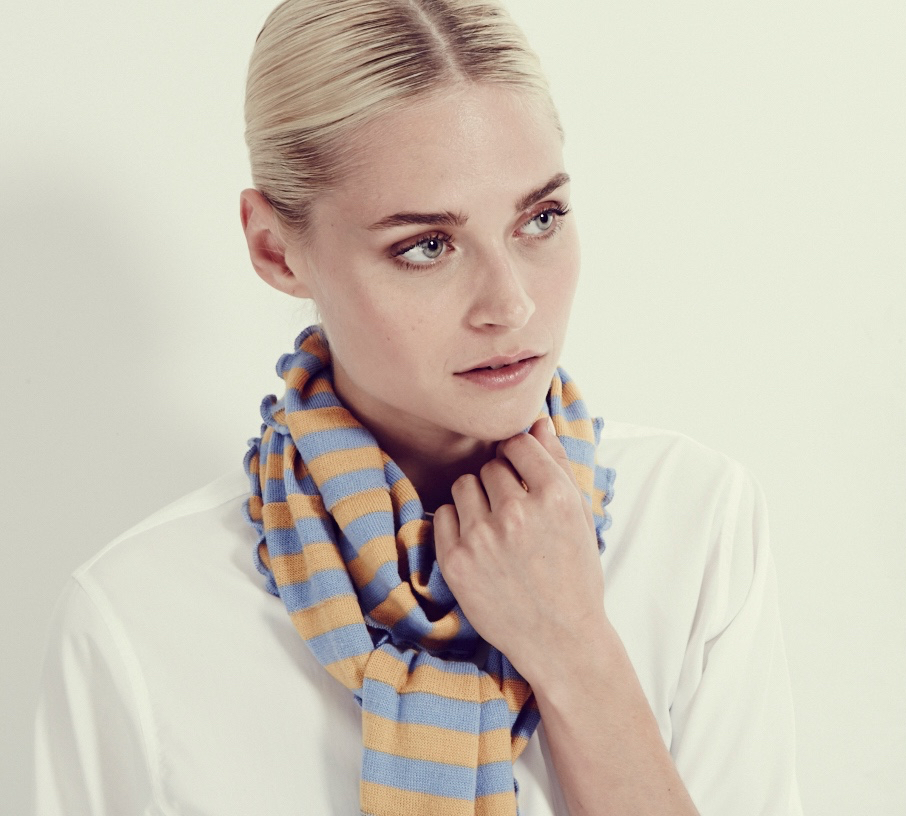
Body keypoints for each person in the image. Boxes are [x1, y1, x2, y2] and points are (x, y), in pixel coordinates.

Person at [34, 1, 802, 814]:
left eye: (539, 219)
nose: (510, 305)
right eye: (426, 246)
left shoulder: (690, 521)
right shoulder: (139, 616)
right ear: (275, 249)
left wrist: (575, 651)